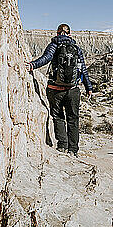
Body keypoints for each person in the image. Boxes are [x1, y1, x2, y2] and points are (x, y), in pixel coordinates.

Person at [26, 23, 93, 157]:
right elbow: (83, 69)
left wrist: (32, 65)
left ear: (57, 33)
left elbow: (45, 59)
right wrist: (88, 87)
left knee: (58, 117)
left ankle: (62, 145)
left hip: (55, 89)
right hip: (73, 90)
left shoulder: (54, 45)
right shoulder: (76, 48)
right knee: (73, 118)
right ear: (69, 34)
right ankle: (73, 149)